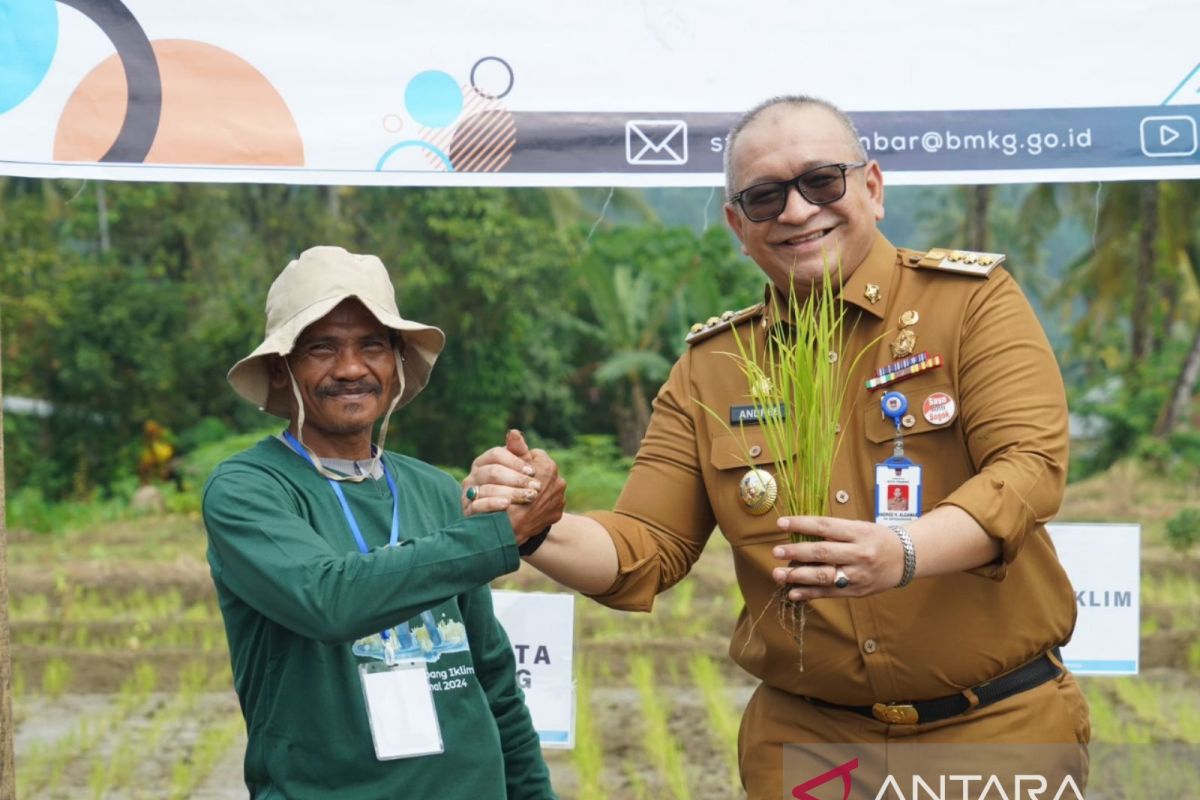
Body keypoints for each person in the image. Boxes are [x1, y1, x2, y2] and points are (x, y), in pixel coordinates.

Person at [465, 97, 1089, 797]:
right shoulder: (713, 363)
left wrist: (903, 551)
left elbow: (1029, 469)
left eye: (821, 181)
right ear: (738, 225)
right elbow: (644, 544)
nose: (795, 212)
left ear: (872, 188)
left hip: (996, 724)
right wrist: (539, 521)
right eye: (764, 197)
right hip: (813, 744)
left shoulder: (969, 302)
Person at [202, 246, 561, 800]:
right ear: (282, 367)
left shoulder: (435, 490)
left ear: (396, 361)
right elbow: (327, 598)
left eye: (372, 345)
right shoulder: (249, 489)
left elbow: (492, 677)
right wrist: (496, 534)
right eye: (322, 347)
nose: (350, 368)